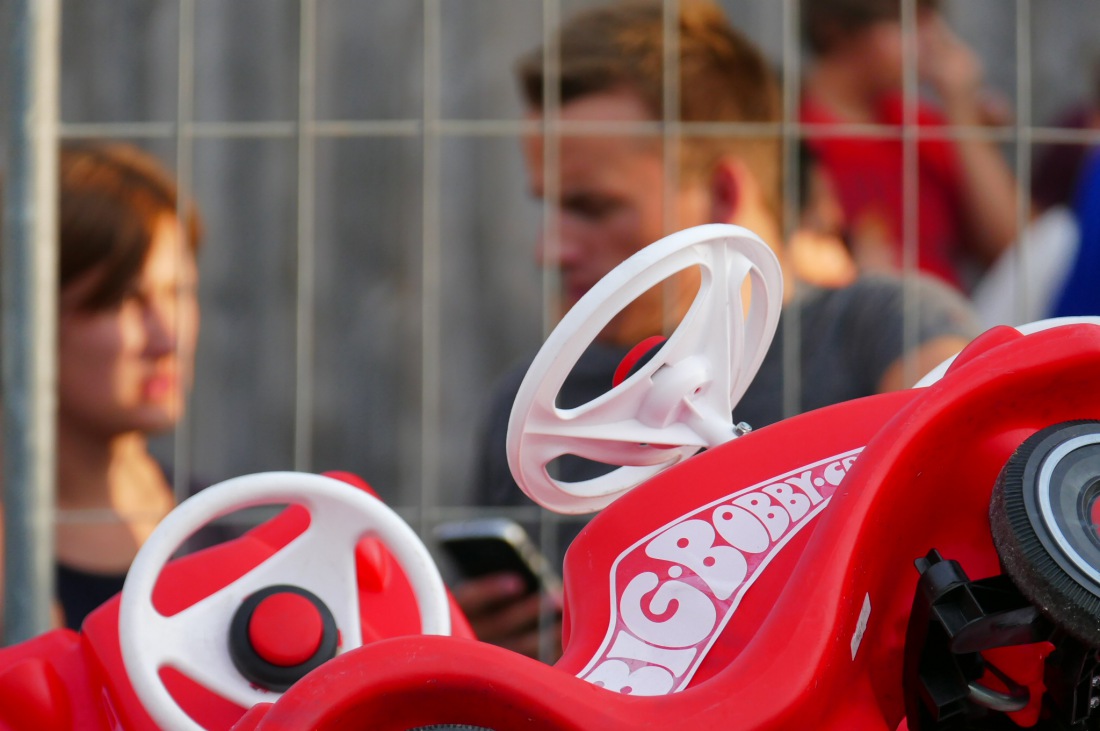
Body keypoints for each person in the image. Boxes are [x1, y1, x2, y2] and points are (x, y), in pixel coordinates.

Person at [459, 0, 981, 662]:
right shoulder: (531, 408)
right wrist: (487, 652)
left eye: (591, 206)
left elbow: (972, 472)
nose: (550, 248)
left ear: (724, 196)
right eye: (549, 205)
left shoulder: (885, 330)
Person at [1, 141, 203, 633]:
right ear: (23, 320)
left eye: (178, 292)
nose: (167, 336)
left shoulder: (224, 524)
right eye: (125, 301)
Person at [800, 0, 1023, 291]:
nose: (928, 42)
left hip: (948, 321)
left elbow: (1013, 248)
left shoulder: (917, 124)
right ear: (837, 29)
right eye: (905, 23)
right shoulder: (796, 127)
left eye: (929, 23)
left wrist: (962, 108)